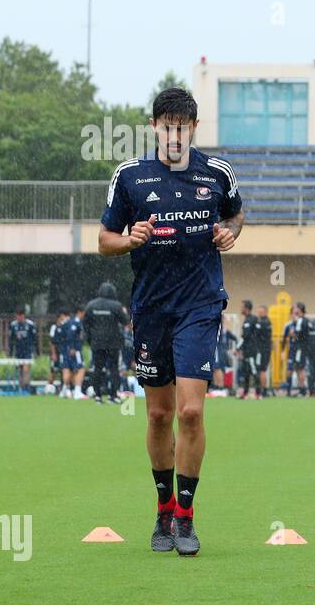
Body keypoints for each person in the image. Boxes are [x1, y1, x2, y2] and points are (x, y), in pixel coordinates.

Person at [98, 86, 244, 557]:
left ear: (193, 128)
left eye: (182, 127)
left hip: (200, 306)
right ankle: (162, 510)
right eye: (167, 126)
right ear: (154, 127)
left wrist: (229, 232)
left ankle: (186, 516)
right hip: (151, 309)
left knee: (191, 411)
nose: (174, 134)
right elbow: (103, 239)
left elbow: (236, 216)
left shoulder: (217, 173)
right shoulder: (130, 177)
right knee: (159, 414)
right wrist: (130, 238)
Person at [84, 282, 129, 403]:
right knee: (114, 369)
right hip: (113, 343)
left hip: (97, 342)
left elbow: (86, 324)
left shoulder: (91, 305)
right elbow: (126, 322)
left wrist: (90, 339)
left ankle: (97, 396)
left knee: (97, 368)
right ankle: (113, 396)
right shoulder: (116, 306)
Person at [9, 308, 38, 394]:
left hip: (27, 351)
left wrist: (36, 351)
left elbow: (34, 339)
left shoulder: (30, 325)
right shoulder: (13, 325)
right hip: (18, 351)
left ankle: (26, 387)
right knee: (19, 370)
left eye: (20, 316)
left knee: (26, 369)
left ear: (23, 316)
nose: (18, 318)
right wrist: (10, 352)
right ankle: (20, 387)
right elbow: (11, 339)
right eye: (17, 316)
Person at [60, 308, 87, 399]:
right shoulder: (75, 322)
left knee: (69, 370)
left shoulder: (68, 322)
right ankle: (77, 392)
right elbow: (71, 334)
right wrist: (72, 347)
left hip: (66, 350)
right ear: (80, 312)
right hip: (75, 350)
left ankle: (64, 390)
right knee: (81, 369)